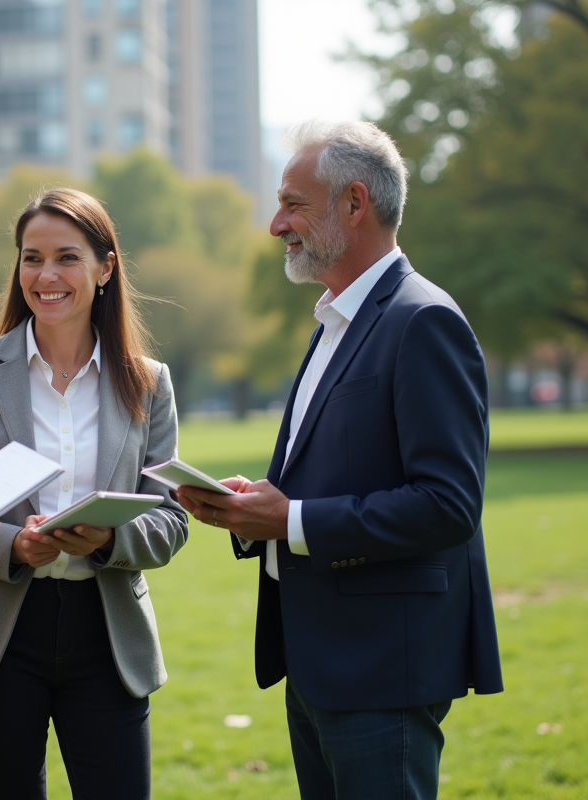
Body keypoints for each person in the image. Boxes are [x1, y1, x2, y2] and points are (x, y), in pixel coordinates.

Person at [176, 120, 503, 800]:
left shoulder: (422, 321)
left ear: (355, 204)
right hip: (320, 658)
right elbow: (336, 473)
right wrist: (254, 508)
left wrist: (291, 520)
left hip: (383, 667)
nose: (275, 225)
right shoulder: (337, 320)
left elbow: (447, 505)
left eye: (293, 204)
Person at [0, 188, 188, 800]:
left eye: (67, 257)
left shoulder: (148, 383)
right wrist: (13, 547)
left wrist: (111, 538)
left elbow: (171, 520)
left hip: (108, 634)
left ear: (105, 268)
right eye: (31, 257)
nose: (47, 275)